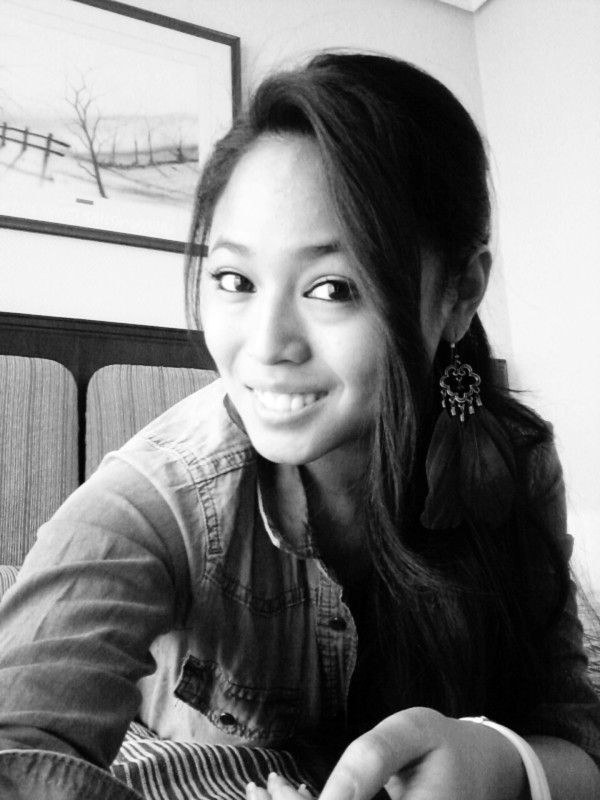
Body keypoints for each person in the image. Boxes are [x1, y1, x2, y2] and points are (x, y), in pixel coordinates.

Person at [0, 51, 598, 800]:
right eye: (234, 280)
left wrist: (504, 761)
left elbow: (573, 725)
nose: (266, 346)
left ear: (460, 293)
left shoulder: (511, 462)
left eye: (332, 288)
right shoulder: (159, 498)